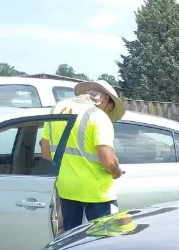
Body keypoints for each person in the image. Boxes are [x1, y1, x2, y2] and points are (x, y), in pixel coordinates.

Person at [40, 80, 126, 231]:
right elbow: (109, 162)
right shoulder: (98, 116)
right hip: (97, 192)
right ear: (105, 99)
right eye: (110, 108)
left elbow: (46, 154)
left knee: (72, 240)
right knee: (104, 239)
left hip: (67, 189)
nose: (108, 112)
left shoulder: (56, 110)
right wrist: (117, 172)